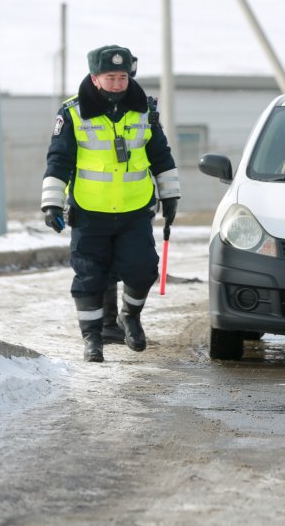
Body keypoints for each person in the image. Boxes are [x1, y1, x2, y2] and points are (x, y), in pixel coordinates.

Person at [40, 45, 181, 363]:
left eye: (123, 76)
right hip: (90, 211)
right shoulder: (72, 112)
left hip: (135, 210)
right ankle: (92, 339)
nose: (118, 83)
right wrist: (51, 202)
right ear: (95, 77)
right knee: (89, 276)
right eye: (111, 77)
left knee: (143, 269)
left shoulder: (145, 109)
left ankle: (129, 317)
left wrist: (170, 195)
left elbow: (160, 153)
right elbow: (59, 159)